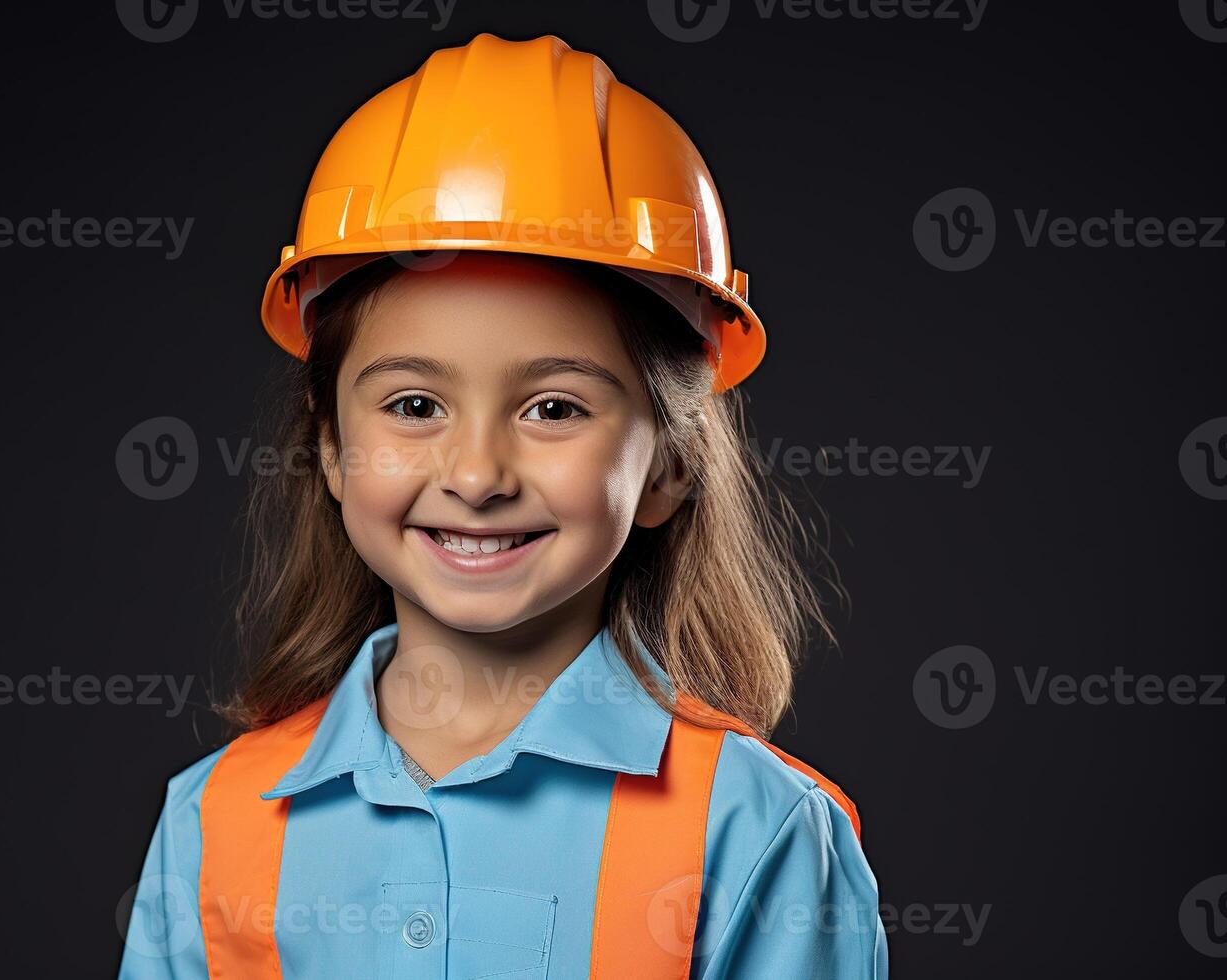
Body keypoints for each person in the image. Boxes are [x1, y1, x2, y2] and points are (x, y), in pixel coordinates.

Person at [118, 32, 887, 979]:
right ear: (328, 445)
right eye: (413, 406)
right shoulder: (214, 825)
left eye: (554, 408)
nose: (477, 475)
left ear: (670, 466)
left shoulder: (756, 829)